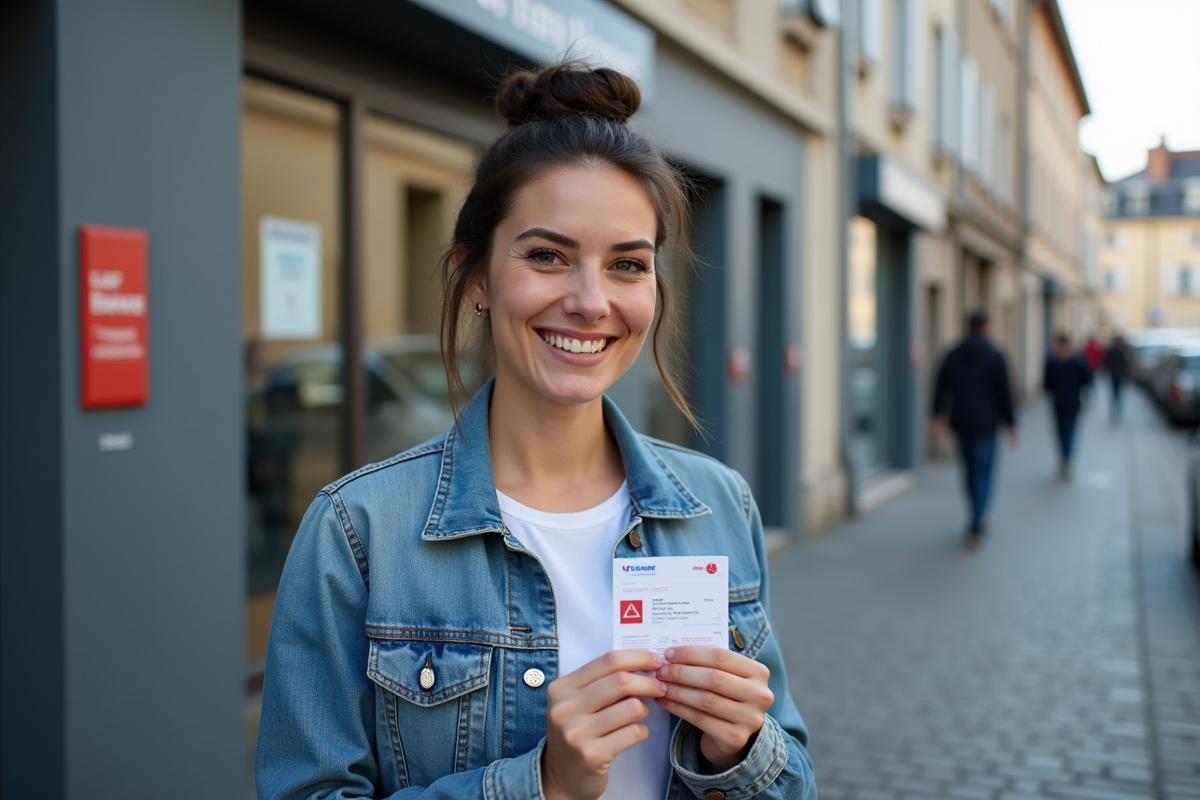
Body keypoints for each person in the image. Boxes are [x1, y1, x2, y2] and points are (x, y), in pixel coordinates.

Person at [255, 62, 815, 800]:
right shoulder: (358, 535)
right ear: (477, 275)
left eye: (627, 264)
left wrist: (741, 750)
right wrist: (540, 787)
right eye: (547, 256)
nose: (590, 302)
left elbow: (793, 779)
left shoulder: (719, 504)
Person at [931, 311, 1018, 549]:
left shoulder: (952, 354)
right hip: (987, 424)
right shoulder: (995, 355)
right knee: (984, 472)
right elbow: (1005, 393)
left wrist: (938, 415)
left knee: (969, 472)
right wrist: (1011, 424)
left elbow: (940, 387)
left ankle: (976, 516)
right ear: (986, 327)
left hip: (961, 422)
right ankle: (977, 522)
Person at [1043, 333, 1093, 478]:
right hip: (1065, 403)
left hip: (1069, 403)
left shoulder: (1054, 361)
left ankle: (1066, 459)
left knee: (1067, 432)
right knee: (1063, 433)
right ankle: (1066, 459)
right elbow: (1087, 378)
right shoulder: (1075, 361)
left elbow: (1047, 384)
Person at [1104, 334, 1131, 421]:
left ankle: (1116, 411)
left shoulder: (1116, 350)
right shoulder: (1120, 350)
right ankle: (1116, 411)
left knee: (1116, 393)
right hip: (1116, 374)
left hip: (1116, 374)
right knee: (1117, 394)